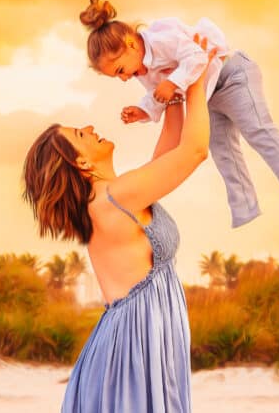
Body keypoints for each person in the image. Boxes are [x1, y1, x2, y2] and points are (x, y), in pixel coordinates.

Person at [21, 38, 216, 412]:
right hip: (134, 348)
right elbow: (194, 151)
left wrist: (171, 85)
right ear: (81, 164)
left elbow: (172, 148)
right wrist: (196, 73)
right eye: (80, 135)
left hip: (140, 341)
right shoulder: (113, 199)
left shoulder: (115, 195)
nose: (90, 127)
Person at [78, 0, 279, 228]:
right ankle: (245, 209)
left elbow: (197, 57)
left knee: (258, 130)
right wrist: (144, 110)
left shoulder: (162, 39)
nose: (124, 78)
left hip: (233, 76)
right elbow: (160, 94)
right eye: (117, 77)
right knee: (222, 150)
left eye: (121, 70)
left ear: (130, 44)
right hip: (208, 95)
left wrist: (173, 82)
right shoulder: (142, 70)